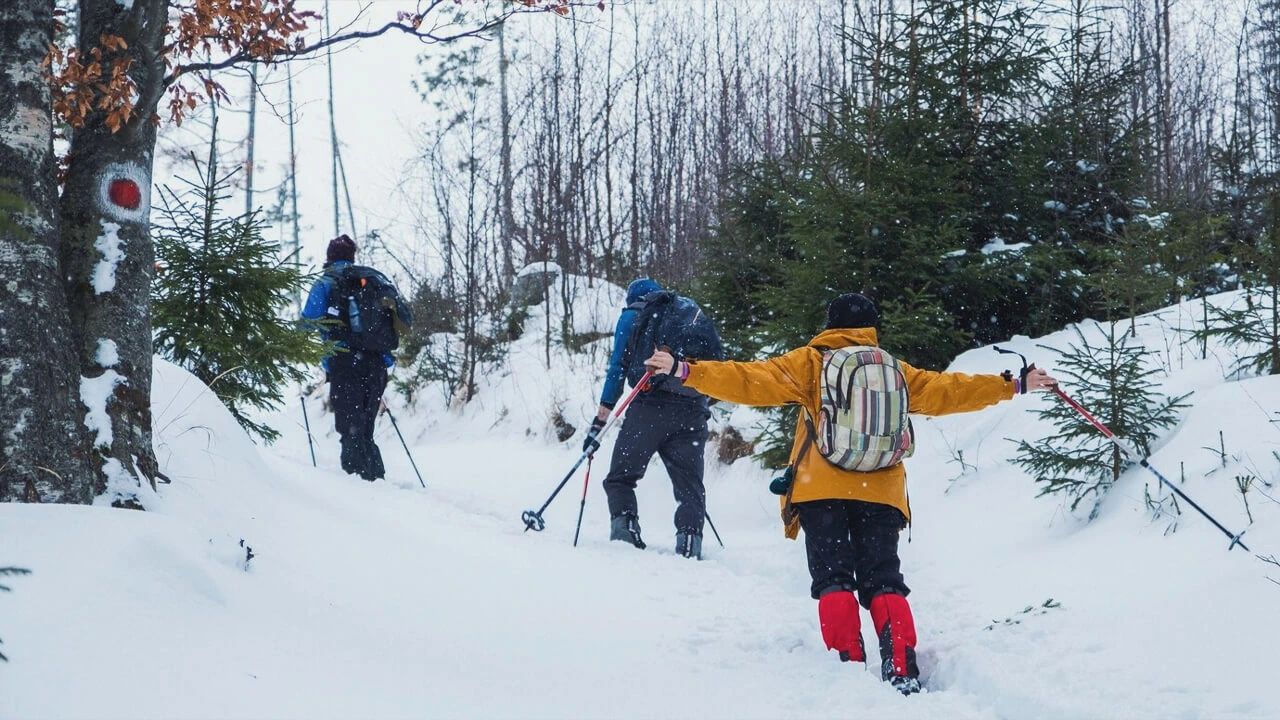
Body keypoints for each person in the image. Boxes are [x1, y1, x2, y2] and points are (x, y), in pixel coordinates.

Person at [643, 292, 1057, 694]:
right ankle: (901, 668)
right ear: (871, 328)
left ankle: (849, 668)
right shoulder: (894, 368)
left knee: (833, 578)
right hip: (880, 489)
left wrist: (685, 370)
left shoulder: (811, 362)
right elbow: (950, 390)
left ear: (830, 325)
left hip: (820, 489)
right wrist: (1015, 384)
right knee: (884, 581)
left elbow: (750, 379)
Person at [583, 278, 720, 560]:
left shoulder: (633, 315)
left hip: (649, 407)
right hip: (693, 409)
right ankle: (689, 544)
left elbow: (617, 368)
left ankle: (625, 540)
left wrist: (600, 420)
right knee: (690, 486)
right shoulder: (688, 312)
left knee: (620, 478)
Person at [301, 234, 410, 482]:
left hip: (344, 363)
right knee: (364, 429)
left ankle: (358, 489)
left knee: (350, 430)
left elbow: (307, 322)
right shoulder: (371, 280)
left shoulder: (326, 283)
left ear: (329, 257)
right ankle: (375, 481)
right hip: (376, 364)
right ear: (352, 256)